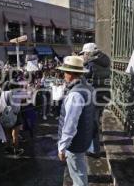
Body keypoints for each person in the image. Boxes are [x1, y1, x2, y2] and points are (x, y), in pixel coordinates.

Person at [57, 56, 96, 186]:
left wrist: (62, 147)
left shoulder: (75, 94)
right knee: (80, 167)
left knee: (78, 175)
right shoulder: (88, 87)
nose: (63, 75)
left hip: (75, 142)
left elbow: (70, 124)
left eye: (65, 72)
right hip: (84, 137)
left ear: (71, 74)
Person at [79, 43, 111, 156]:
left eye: (84, 54)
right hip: (104, 96)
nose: (83, 56)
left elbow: (83, 80)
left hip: (94, 97)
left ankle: (94, 149)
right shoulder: (105, 61)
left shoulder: (91, 64)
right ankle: (94, 146)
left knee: (92, 124)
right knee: (95, 121)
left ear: (89, 53)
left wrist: (83, 65)